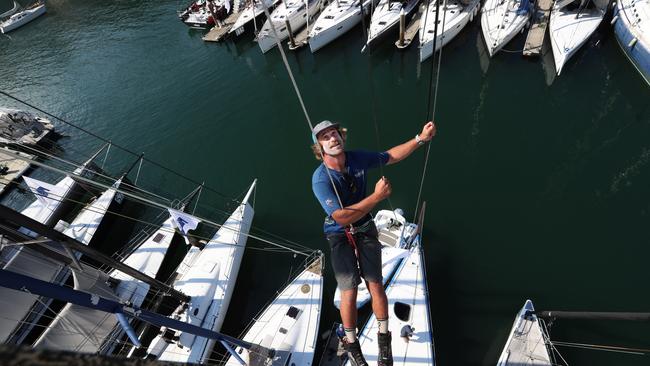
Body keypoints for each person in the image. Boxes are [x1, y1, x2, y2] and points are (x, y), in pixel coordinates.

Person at [311, 120, 436, 366]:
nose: (332, 138)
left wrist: (420, 139)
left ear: (342, 137)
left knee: (375, 284)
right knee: (349, 290)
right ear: (320, 147)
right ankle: (351, 343)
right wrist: (377, 197)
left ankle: (384, 341)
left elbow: (390, 156)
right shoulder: (320, 179)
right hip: (339, 233)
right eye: (325, 137)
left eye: (335, 133)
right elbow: (341, 216)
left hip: (365, 226)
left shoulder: (356, 158)